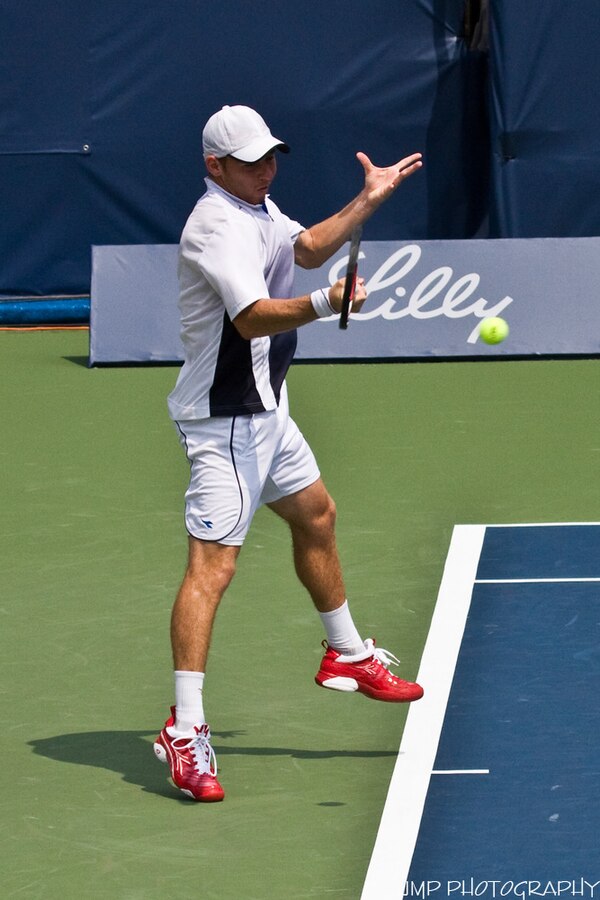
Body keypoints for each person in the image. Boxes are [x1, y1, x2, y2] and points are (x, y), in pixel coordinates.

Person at [153, 105, 424, 802]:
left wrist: (363, 203)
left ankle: (347, 653)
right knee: (212, 568)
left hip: (267, 411)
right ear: (215, 166)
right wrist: (323, 301)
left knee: (317, 516)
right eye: (249, 161)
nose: (265, 170)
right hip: (227, 420)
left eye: (271, 156)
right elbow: (250, 317)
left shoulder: (258, 207)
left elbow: (303, 249)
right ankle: (184, 732)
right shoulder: (215, 225)